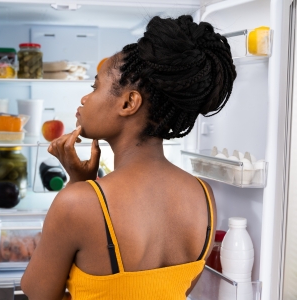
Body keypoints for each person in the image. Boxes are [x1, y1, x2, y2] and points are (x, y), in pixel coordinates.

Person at [21, 15, 236, 300]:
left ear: (128, 103)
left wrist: (77, 186)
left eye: (94, 87)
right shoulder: (203, 196)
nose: (85, 99)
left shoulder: (78, 204)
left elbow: (37, 293)